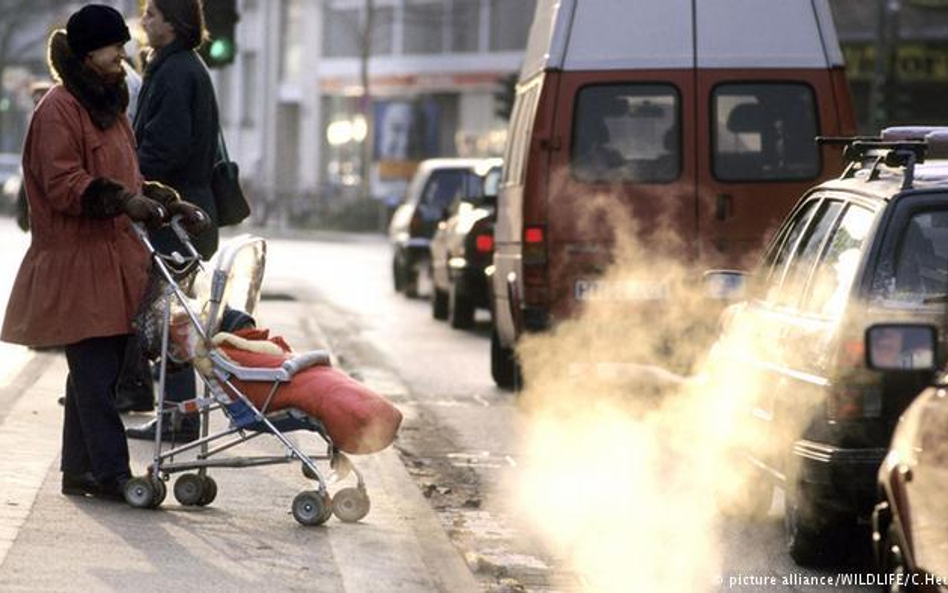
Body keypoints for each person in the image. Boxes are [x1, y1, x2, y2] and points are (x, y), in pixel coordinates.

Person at [0, 4, 205, 501]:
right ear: (91, 52)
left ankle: (80, 471)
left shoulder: (107, 106)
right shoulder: (59, 109)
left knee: (99, 371)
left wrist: (160, 198)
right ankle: (112, 473)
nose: (124, 54)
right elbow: (64, 183)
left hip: (111, 259)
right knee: (94, 375)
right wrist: (123, 200)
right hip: (76, 261)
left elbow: (127, 175)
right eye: (115, 47)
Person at [125, 0, 222, 442]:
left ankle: (178, 418)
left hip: (176, 215)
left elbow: (165, 147)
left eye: (152, 14)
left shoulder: (177, 71)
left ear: (174, 22)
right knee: (173, 320)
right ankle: (177, 414)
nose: (144, 21)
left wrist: (128, 180)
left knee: (169, 322)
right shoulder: (177, 65)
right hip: (185, 212)